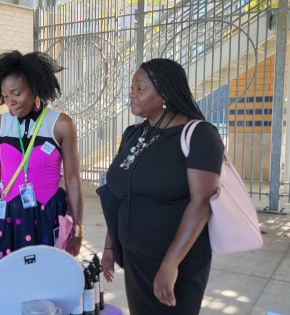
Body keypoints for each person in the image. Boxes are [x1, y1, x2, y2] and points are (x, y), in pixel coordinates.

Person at [100, 58, 223, 314]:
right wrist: (110, 245)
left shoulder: (200, 135)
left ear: (165, 93)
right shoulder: (133, 134)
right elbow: (120, 194)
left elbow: (201, 203)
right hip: (135, 258)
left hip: (177, 261)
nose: (132, 94)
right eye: (132, 87)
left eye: (140, 88)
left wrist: (170, 263)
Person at [0, 51, 84, 259]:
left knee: (44, 279)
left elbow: (73, 180)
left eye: (17, 93)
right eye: (5, 96)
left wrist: (78, 230)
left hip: (47, 215)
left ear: (35, 88)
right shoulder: (0, 125)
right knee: (9, 280)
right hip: (7, 216)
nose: (10, 101)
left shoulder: (61, 124)